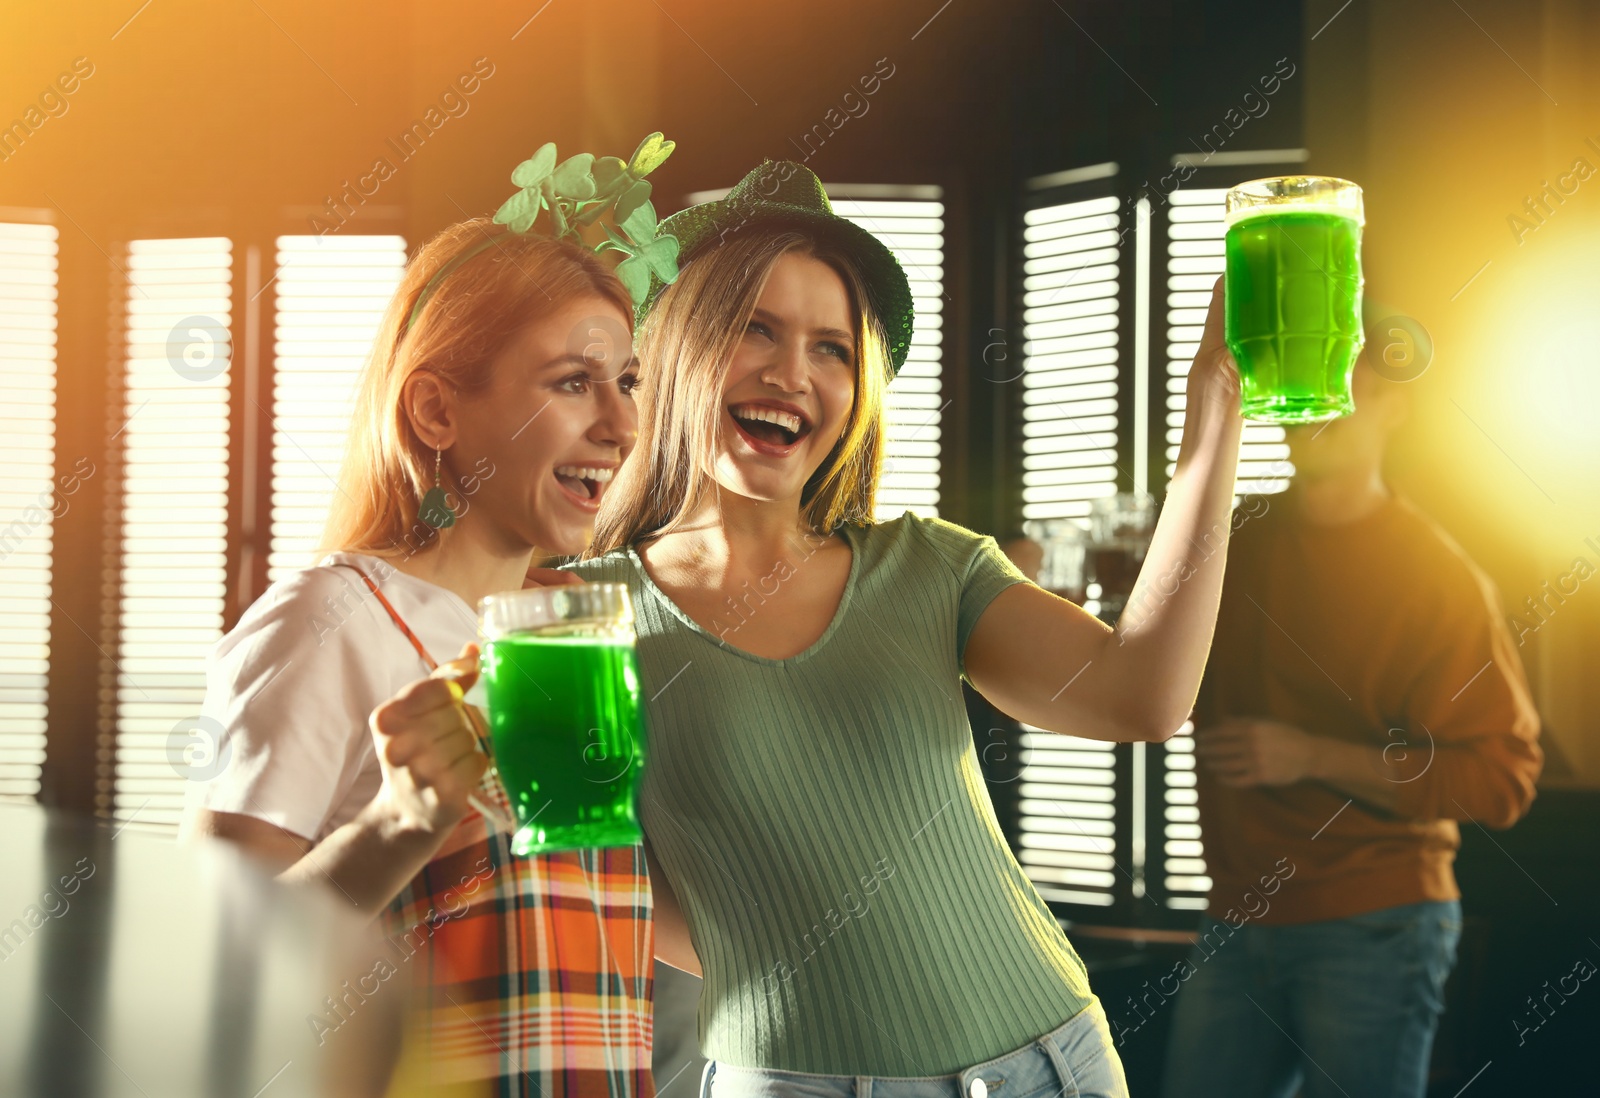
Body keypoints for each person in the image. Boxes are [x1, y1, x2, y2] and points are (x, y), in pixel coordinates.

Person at [566, 160, 1247, 1098]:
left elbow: (1142, 695)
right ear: (675, 346)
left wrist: (1214, 416)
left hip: (1048, 1061)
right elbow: (594, 892)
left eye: (833, 348)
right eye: (753, 329)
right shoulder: (577, 617)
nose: (792, 374)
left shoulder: (930, 567)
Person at [180, 135, 683, 1097]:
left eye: (627, 383)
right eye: (572, 381)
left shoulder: (571, 636)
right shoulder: (331, 619)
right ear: (436, 413)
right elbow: (213, 960)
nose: (620, 426)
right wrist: (400, 817)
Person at [1162, 342, 1544, 1098]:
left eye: (1344, 380)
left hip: (1380, 922)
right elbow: (1143, 678)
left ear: (1393, 404)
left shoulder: (1438, 576)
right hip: (1235, 919)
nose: (1319, 405)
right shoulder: (1230, 543)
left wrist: (1313, 756)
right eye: (1305, 380)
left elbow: (1504, 779)